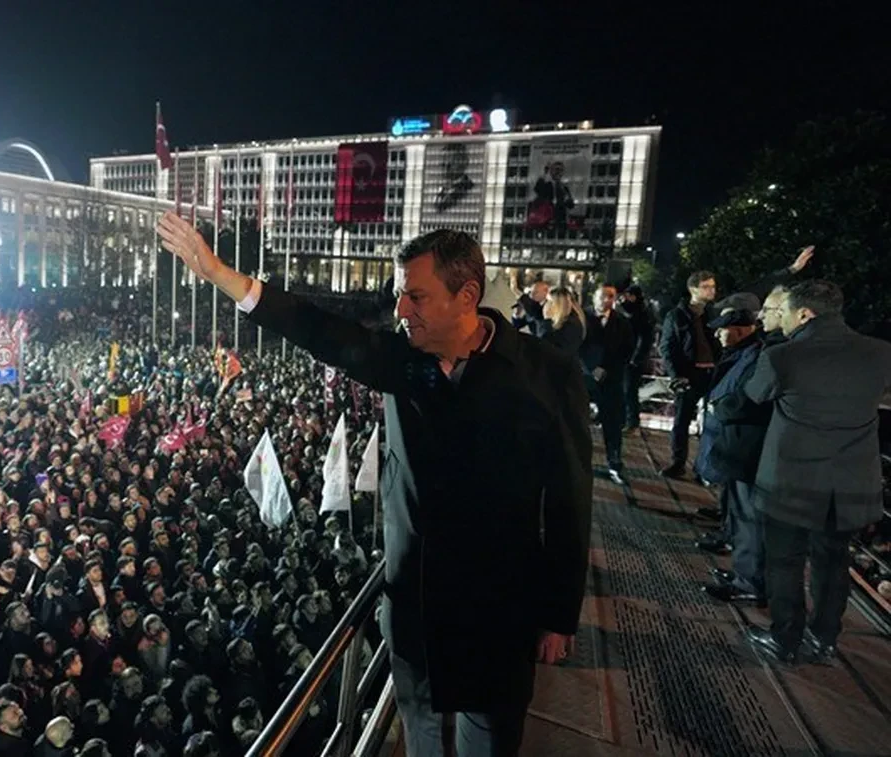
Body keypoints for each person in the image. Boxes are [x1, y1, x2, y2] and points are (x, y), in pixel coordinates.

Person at [158, 211, 593, 756]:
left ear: (468, 296)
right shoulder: (402, 361)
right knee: (422, 731)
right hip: (415, 598)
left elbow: (572, 497)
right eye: (397, 295)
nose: (400, 311)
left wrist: (558, 614)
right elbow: (316, 328)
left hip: (499, 607)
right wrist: (220, 272)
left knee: (492, 734)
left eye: (416, 297)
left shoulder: (547, 373)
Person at [742, 280, 891, 662]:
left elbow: (755, 394)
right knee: (833, 560)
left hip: (789, 481)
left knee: (785, 562)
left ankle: (785, 639)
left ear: (804, 313)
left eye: (787, 313)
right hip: (850, 482)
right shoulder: (880, 353)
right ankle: (824, 639)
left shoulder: (783, 356)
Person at [693, 304, 770, 604]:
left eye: (722, 328)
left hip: (745, 447)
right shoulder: (746, 354)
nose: (716, 333)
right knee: (740, 514)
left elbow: (748, 399)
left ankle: (750, 582)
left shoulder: (757, 356)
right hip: (737, 446)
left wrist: (717, 407)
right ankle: (743, 573)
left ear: (740, 329)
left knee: (749, 518)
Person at [658, 271, 719, 478]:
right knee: (682, 420)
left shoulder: (714, 313)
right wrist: (676, 375)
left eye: (713, 286)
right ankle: (678, 463)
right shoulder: (677, 315)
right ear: (693, 289)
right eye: (707, 286)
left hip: (714, 373)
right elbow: (667, 347)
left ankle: (706, 467)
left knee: (713, 421)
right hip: (690, 374)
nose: (712, 290)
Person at [580, 285, 633, 484]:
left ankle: (614, 463)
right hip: (584, 377)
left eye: (611, 297)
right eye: (603, 296)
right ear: (595, 297)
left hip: (611, 380)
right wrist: (590, 368)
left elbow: (626, 351)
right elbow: (577, 345)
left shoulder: (622, 323)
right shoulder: (582, 318)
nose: (607, 300)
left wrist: (606, 369)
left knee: (612, 424)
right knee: (578, 421)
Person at [618, 284, 654, 433]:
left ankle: (631, 421)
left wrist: (636, 358)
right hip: (625, 356)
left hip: (632, 359)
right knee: (623, 389)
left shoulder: (640, 314)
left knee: (629, 390)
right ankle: (625, 419)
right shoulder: (630, 311)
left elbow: (644, 338)